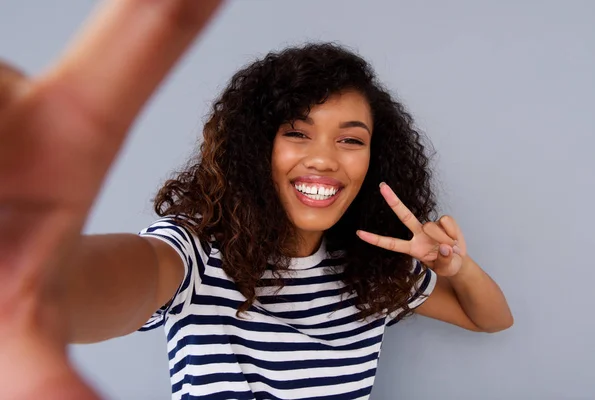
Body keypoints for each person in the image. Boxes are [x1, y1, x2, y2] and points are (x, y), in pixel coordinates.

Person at [0, 1, 513, 399]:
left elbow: (490, 318)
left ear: (374, 162)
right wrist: (35, 274)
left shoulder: (373, 273)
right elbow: (89, 290)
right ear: (256, 147)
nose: (325, 159)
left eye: (351, 139)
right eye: (297, 133)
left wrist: (454, 267)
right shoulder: (195, 257)